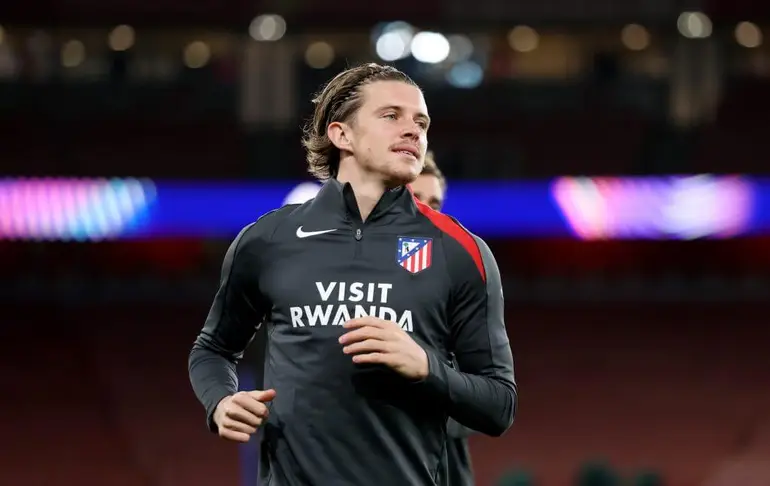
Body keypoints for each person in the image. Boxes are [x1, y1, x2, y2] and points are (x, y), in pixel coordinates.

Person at [189, 63, 517, 486]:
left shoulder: (460, 250)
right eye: (391, 115)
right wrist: (220, 401)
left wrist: (426, 367)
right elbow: (213, 349)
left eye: (421, 122)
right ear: (341, 134)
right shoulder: (268, 239)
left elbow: (499, 405)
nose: (413, 131)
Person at [410, 152, 477, 486]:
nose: (426, 211)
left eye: (434, 203)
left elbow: (480, 387)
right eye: (415, 199)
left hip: (444, 453)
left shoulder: (458, 278)